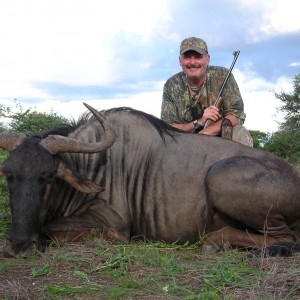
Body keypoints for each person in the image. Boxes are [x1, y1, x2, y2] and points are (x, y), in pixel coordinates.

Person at [161, 37, 253, 146]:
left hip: (220, 136)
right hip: (185, 141)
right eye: (187, 57)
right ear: (180, 61)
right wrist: (200, 122)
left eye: (198, 57)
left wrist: (206, 133)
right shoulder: (171, 85)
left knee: (239, 132)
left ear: (208, 59)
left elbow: (237, 115)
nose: (192, 62)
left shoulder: (223, 76)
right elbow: (168, 127)